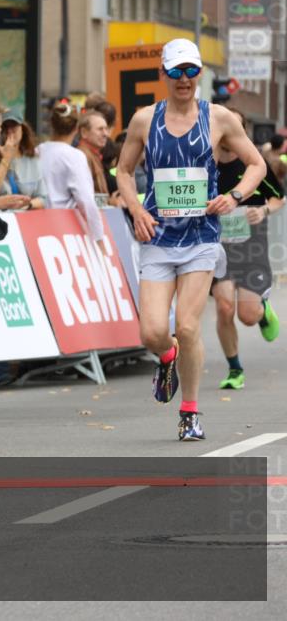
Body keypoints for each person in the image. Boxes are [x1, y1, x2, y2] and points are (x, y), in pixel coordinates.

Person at [115, 38, 267, 441]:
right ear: (163, 74)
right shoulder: (145, 120)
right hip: (159, 237)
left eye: (191, 71)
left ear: (199, 73)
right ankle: (167, 358)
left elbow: (257, 164)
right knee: (151, 332)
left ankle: (190, 413)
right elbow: (124, 172)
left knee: (186, 325)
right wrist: (137, 209)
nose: (184, 79)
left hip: (201, 238)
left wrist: (234, 196)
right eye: (176, 71)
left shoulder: (219, 118)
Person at [209, 108, 283, 390]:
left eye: (235, 127)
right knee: (225, 307)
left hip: (250, 247)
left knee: (247, 315)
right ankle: (235, 369)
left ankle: (262, 311)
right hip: (218, 248)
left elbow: (278, 198)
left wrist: (263, 210)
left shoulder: (253, 163)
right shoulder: (207, 163)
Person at [40, 102, 108, 253]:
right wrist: (99, 238)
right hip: (65, 229)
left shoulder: (37, 151)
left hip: (37, 226)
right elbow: (86, 200)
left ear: (51, 124)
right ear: (77, 129)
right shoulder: (75, 156)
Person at [0, 110, 47, 208]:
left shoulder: (31, 157)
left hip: (23, 217)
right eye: (5, 127)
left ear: (22, 129)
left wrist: (27, 205)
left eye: (14, 126)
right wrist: (6, 159)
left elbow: (43, 198)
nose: (9, 131)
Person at [76, 110, 116, 201]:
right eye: (100, 129)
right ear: (84, 132)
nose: (105, 134)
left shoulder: (92, 155)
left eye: (106, 129)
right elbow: (84, 197)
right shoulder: (82, 156)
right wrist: (111, 202)